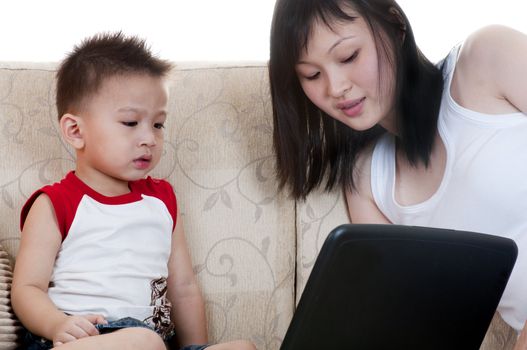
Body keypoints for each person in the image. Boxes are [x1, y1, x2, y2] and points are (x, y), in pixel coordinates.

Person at [269, 0, 527, 348]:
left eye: (348, 56)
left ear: (395, 26)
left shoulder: (486, 57)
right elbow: (415, 321)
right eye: (312, 75)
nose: (335, 87)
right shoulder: (367, 181)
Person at [11, 32, 256, 350]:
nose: (149, 139)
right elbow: (27, 288)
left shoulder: (162, 199)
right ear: (75, 131)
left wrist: (198, 348)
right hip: (79, 338)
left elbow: (182, 287)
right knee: (143, 341)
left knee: (243, 349)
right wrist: (58, 324)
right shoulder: (56, 202)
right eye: (130, 123)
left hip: (151, 341)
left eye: (157, 124)